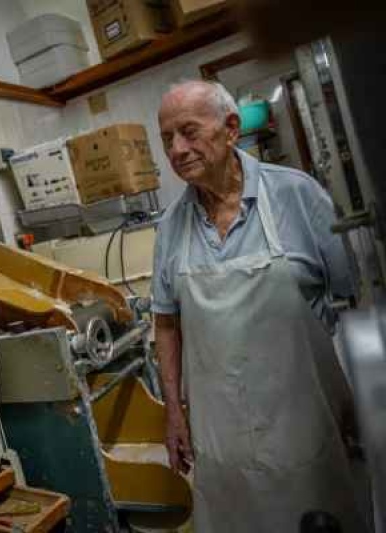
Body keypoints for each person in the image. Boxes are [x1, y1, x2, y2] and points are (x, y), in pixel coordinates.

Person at [151, 80, 369, 532]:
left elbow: (356, 301)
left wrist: (362, 399)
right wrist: (174, 411)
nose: (176, 149)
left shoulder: (298, 195)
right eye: (166, 138)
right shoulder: (171, 227)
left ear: (231, 129)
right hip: (222, 442)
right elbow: (167, 323)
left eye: (188, 132)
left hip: (304, 429)